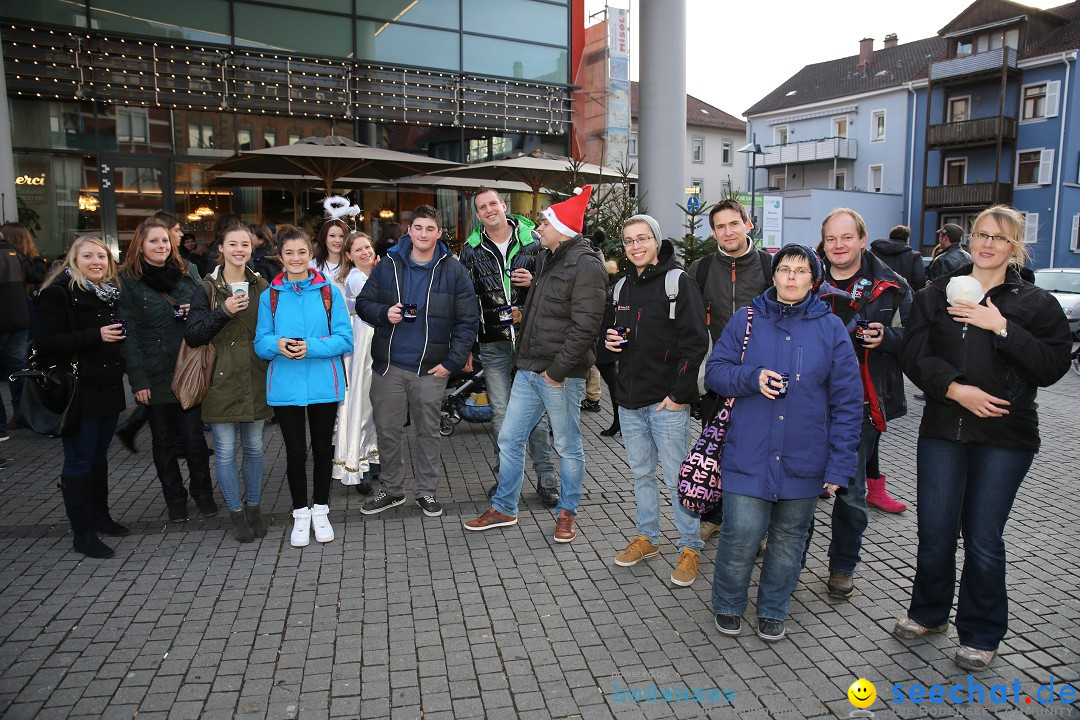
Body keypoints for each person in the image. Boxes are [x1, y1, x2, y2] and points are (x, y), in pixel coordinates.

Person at [894, 205, 1071, 671]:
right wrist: (956, 388)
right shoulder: (936, 294)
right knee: (934, 532)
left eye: (1000, 238)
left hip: (1005, 439)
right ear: (970, 240)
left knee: (983, 537)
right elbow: (914, 354)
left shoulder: (1035, 303)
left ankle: (981, 633)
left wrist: (1003, 329)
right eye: (981, 235)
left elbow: (1053, 367)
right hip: (942, 431)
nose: (988, 244)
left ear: (1015, 248)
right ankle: (928, 614)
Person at [707, 243, 862, 642]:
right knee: (740, 535)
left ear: (814, 280)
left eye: (801, 270)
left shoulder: (831, 329)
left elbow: (847, 404)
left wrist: (839, 467)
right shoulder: (747, 319)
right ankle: (728, 603)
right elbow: (716, 373)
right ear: (773, 275)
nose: (791, 277)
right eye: (785, 269)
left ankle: (774, 608)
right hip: (749, 451)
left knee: (789, 541)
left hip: (804, 457)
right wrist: (751, 378)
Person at [464, 186, 607, 543]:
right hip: (529, 367)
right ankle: (505, 507)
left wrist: (556, 373)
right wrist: (523, 314)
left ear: (563, 228)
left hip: (558, 373)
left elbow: (586, 326)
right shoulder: (548, 257)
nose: (539, 227)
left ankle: (567, 513)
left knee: (568, 447)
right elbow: (550, 310)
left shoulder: (586, 264)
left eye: (545, 222)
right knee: (510, 438)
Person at [603, 215, 708, 586]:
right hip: (630, 400)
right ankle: (647, 537)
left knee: (677, 478)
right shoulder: (620, 288)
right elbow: (610, 335)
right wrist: (610, 341)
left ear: (656, 241)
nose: (636, 246)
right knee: (641, 473)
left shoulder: (677, 282)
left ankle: (690, 546)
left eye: (642, 238)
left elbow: (696, 343)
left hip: (666, 403)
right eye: (629, 241)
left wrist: (679, 396)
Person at [357, 206, 478, 518]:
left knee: (428, 432)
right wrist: (385, 313)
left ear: (438, 233)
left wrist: (451, 362)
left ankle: (426, 492)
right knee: (387, 430)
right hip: (390, 366)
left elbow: (468, 321)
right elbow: (363, 304)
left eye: (430, 229)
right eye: (418, 228)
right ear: (408, 230)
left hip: (431, 369)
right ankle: (392, 490)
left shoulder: (453, 270)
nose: (423, 234)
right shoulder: (388, 265)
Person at [816, 208, 912, 600]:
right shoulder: (806, 276)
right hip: (810, 402)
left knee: (851, 492)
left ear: (861, 239)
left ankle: (842, 567)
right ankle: (791, 560)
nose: (838, 246)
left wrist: (888, 338)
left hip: (862, 404)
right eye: (831, 239)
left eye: (846, 237)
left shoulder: (892, 285)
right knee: (801, 487)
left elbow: (919, 341)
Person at [457, 187, 556, 506]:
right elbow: (465, 300)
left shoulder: (534, 239)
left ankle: (546, 477)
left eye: (492, 204)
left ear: (504, 206)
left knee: (536, 415)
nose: (488, 210)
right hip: (493, 343)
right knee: (500, 414)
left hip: (531, 340)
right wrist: (468, 346)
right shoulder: (470, 249)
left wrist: (535, 280)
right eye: (481, 207)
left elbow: (557, 282)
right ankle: (506, 478)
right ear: (477, 214)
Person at [255, 228, 352, 547]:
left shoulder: (331, 292)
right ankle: (300, 514)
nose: (296, 259)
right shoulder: (269, 295)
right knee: (296, 453)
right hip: (285, 385)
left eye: (301, 252)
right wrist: (278, 344)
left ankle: (321, 510)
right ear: (280, 257)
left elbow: (344, 339)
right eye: (288, 253)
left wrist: (309, 347)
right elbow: (260, 343)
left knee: (323, 450)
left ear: (311, 254)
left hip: (324, 381)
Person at [686, 199, 774, 541]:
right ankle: (714, 515)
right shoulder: (701, 269)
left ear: (748, 224)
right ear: (713, 232)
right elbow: (688, 324)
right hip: (718, 376)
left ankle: (762, 527)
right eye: (720, 226)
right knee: (714, 448)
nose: (728, 232)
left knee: (761, 451)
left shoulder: (769, 266)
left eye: (734, 224)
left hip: (761, 377)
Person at [117, 217, 216, 522]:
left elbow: (209, 308)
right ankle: (175, 498)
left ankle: (203, 494)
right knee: (162, 441)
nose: (161, 246)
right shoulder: (128, 281)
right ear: (141, 245)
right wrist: (138, 379)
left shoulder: (189, 271)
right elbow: (127, 334)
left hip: (188, 365)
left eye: (164, 240)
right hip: (154, 370)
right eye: (153, 241)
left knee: (195, 441)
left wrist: (194, 312)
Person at [35, 236, 128, 558]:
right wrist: (95, 336)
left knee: (99, 457)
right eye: (87, 256)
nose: (96, 262)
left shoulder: (108, 294)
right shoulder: (58, 294)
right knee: (78, 461)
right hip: (78, 391)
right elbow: (44, 343)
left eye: (101, 256)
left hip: (109, 389)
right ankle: (83, 533)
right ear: (74, 260)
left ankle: (101, 517)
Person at [185, 223, 271, 543]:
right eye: (232, 243)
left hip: (254, 377)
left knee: (254, 448)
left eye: (245, 244)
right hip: (219, 380)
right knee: (224, 450)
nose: (239, 249)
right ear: (220, 247)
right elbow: (193, 335)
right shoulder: (206, 288)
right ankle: (235, 512)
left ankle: (254, 508)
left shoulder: (261, 284)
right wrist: (223, 311)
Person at [332, 231, 381, 495]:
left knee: (372, 406)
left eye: (368, 247)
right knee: (359, 404)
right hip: (361, 348)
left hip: (374, 346)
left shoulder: (372, 275)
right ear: (349, 256)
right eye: (358, 249)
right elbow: (378, 300)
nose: (365, 252)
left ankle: (370, 458)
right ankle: (356, 465)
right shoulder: (356, 278)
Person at [0, 227, 30, 441]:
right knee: (18, 368)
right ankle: (24, 414)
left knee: (18, 368)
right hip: (20, 318)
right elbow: (35, 274)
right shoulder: (15, 253)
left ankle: (7, 424)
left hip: (8, 319)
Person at [311, 219, 349, 296]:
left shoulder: (353, 265)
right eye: (332, 236)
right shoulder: (312, 266)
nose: (337, 240)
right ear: (324, 238)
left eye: (341, 236)